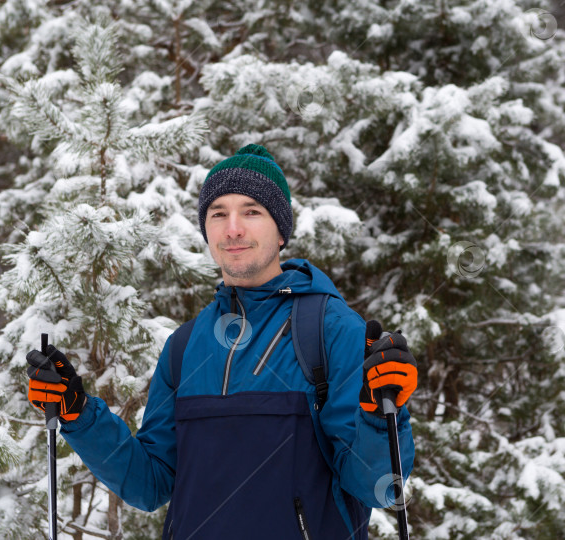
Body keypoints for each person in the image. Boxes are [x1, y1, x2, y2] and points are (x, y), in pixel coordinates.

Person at [27, 144, 417, 539]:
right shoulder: (185, 346)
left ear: (281, 230)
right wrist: (78, 415)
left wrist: (381, 414)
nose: (233, 228)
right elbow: (150, 484)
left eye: (251, 211)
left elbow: (373, 485)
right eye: (218, 214)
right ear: (207, 230)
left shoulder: (330, 330)